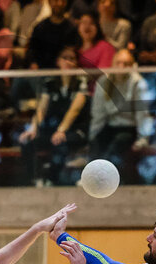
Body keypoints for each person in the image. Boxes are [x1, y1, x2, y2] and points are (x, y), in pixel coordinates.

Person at [19, 45, 90, 186]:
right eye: (65, 58)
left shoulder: (81, 82)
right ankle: (34, 179)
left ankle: (52, 179)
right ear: (58, 61)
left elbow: (74, 110)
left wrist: (61, 130)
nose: (68, 62)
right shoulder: (50, 83)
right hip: (52, 129)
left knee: (60, 142)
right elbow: (41, 109)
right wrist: (33, 128)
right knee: (27, 142)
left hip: (75, 129)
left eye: (72, 59)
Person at [26, 0, 79, 69]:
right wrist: (33, 63)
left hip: (65, 72)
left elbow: (74, 53)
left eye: (62, 1)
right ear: (49, 2)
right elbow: (32, 52)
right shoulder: (40, 28)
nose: (59, 4)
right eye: (55, 1)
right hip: (42, 72)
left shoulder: (72, 28)